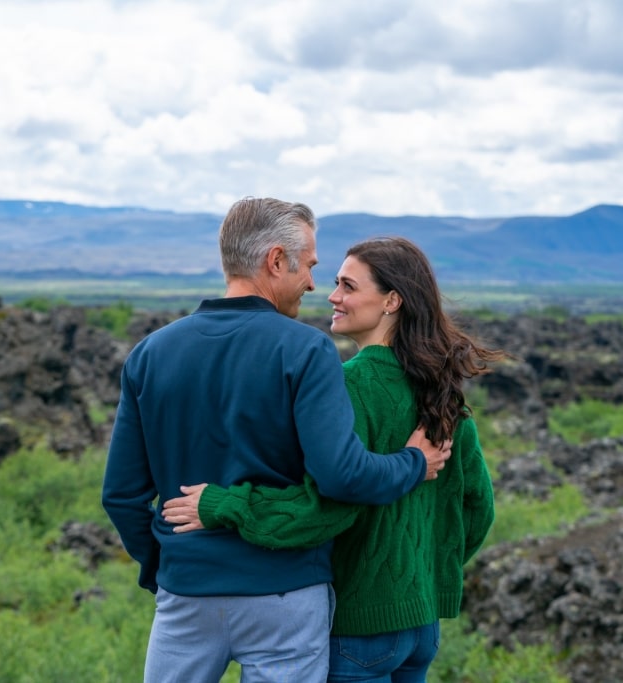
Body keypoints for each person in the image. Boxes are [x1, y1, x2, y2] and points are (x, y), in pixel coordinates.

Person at [102, 200, 452, 683]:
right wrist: (414, 462)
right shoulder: (305, 350)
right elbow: (341, 475)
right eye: (308, 265)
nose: (313, 283)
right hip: (287, 595)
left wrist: (167, 570)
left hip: (186, 591)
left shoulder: (150, 354)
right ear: (275, 261)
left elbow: (120, 495)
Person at [162, 236, 502, 682]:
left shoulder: (348, 386)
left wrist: (223, 506)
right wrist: (419, 577)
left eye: (347, 286)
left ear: (392, 301)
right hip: (421, 628)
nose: (332, 296)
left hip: (358, 630)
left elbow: (328, 506)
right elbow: (478, 507)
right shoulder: (440, 388)